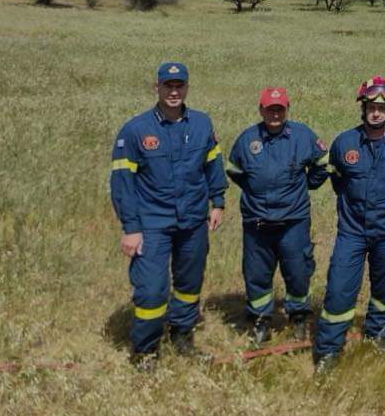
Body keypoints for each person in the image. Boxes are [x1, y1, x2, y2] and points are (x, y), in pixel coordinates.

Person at [109, 61, 227, 371]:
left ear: (187, 88)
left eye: (179, 86)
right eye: (167, 86)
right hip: (152, 224)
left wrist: (218, 201)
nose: (173, 92)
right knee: (151, 290)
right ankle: (145, 352)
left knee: (188, 285)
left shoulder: (202, 124)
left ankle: (182, 337)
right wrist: (131, 228)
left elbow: (213, 163)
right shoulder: (135, 130)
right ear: (157, 88)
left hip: (192, 222)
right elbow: (122, 184)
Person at [312, 77, 385, 373]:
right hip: (352, 232)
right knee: (339, 290)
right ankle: (330, 349)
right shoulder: (344, 143)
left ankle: (377, 334)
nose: (376, 113)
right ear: (363, 107)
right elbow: (337, 181)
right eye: (371, 107)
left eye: (382, 108)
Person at [226, 87, 329, 346]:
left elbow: (322, 164)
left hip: (293, 221)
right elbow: (234, 170)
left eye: (279, 109)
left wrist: (306, 185)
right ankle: (261, 321)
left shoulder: (302, 136)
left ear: (286, 109)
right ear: (261, 110)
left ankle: (298, 317)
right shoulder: (248, 139)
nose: (274, 114)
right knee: (257, 274)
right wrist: (256, 191)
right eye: (270, 109)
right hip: (257, 222)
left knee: (298, 272)